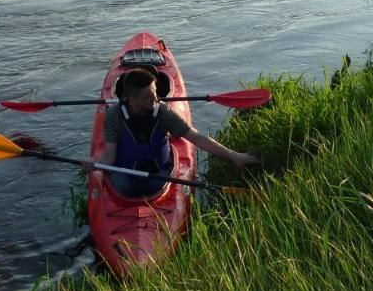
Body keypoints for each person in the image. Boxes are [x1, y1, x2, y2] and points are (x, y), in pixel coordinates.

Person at [98, 68, 258, 198]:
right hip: (126, 178)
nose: (156, 98)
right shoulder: (114, 115)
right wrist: (93, 163)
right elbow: (109, 156)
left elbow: (197, 138)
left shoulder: (163, 112)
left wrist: (234, 155)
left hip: (159, 178)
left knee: (156, 186)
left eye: (155, 92)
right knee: (121, 185)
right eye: (149, 96)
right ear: (132, 98)